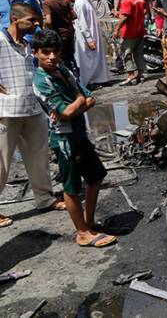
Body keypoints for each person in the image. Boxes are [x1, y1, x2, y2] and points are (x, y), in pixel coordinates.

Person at [31, 29, 117, 248]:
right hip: (64, 139)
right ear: (35, 53)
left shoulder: (63, 70)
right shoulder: (41, 81)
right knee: (71, 187)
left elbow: (90, 98)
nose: (51, 57)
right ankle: (82, 233)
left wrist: (78, 102)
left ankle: (88, 223)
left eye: (55, 51)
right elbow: (69, 110)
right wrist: (79, 101)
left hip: (78, 133)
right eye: (45, 52)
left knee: (96, 176)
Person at [0, 4, 67, 228]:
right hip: (6, 112)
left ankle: (45, 198)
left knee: (39, 157)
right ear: (15, 19)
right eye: (31, 20)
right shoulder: (0, 41)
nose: (36, 24)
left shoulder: (29, 45)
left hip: (33, 108)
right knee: (2, 162)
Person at [73, 0, 109, 89]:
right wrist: (89, 39)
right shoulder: (80, 3)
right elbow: (82, 23)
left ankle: (99, 79)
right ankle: (90, 82)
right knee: (88, 61)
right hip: (87, 36)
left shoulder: (87, 0)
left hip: (94, 33)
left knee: (95, 58)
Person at [41, 0, 79, 75]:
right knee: (71, 57)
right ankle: (77, 77)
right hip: (69, 32)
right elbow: (73, 16)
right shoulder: (63, 0)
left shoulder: (46, 3)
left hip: (58, 35)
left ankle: (70, 80)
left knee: (62, 60)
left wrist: (49, 30)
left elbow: (48, 21)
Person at [112, 0, 146, 85]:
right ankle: (140, 74)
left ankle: (131, 75)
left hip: (129, 32)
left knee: (126, 54)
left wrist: (117, 29)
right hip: (140, 31)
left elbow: (125, 17)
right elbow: (138, 13)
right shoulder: (140, 0)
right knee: (139, 53)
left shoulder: (127, 0)